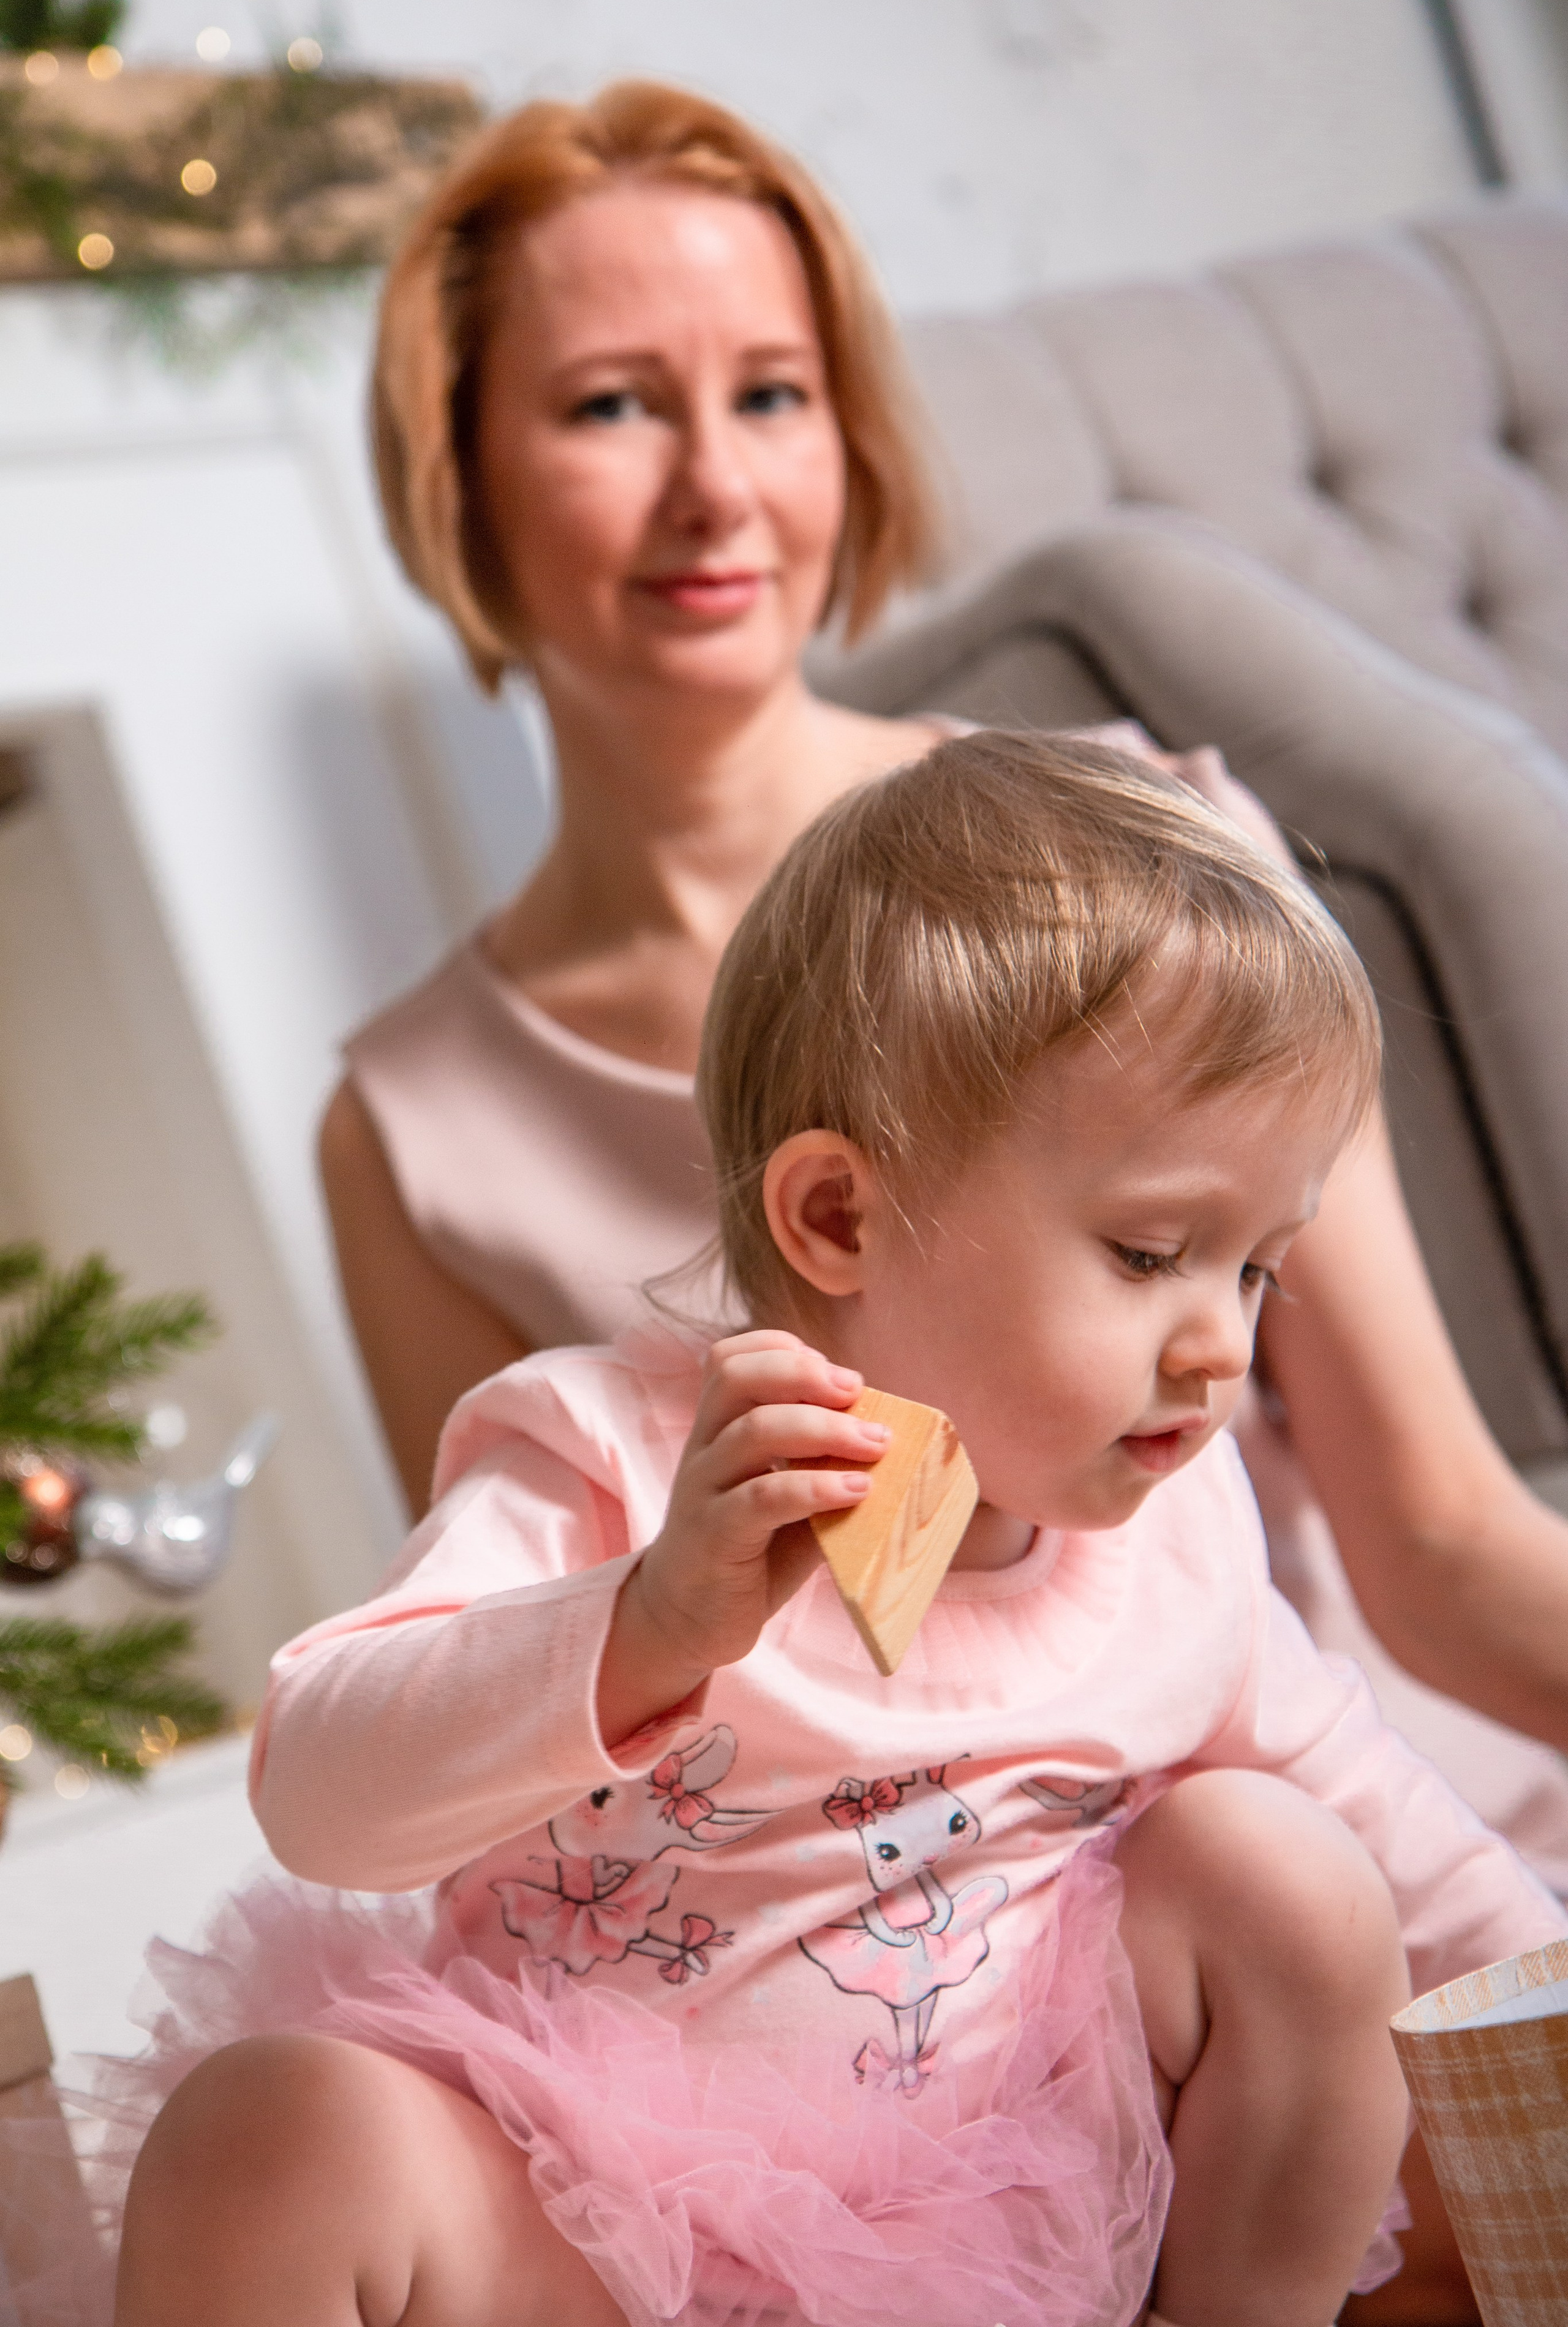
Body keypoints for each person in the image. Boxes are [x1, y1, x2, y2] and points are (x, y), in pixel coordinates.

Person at [111, 735, 1564, 2327]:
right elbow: (322, 1794)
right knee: (266, 2138)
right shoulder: (606, 1454)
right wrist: (649, 1618)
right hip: (599, 2231)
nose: (1224, 1342)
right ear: (839, 1219)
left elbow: (1412, 1842)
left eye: (1256, 1269)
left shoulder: (1175, 1533)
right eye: (1154, 1251)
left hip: (1019, 2239)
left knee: (1296, 1871)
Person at [322, 83, 1568, 1815]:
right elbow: (534, 1731)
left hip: (1295, 1801)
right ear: (459, 478)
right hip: (858, 1932)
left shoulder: (1162, 851)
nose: (717, 486)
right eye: (612, 406)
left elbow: (1438, 1537)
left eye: (773, 395)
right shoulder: (408, 1129)